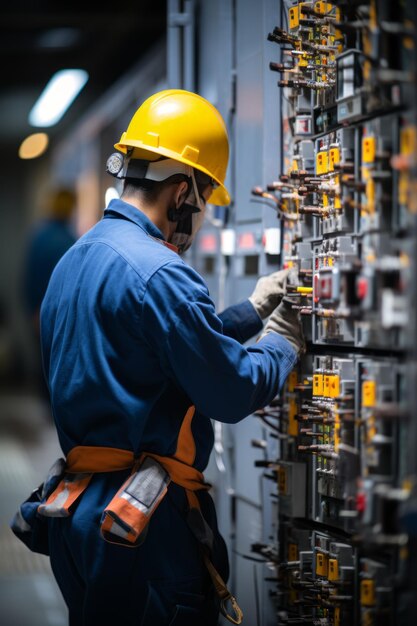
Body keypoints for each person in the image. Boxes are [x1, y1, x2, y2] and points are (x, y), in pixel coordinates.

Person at [20, 90, 305, 625]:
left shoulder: (74, 261)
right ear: (182, 193)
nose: (197, 225)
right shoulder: (161, 270)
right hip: (143, 528)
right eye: (201, 204)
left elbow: (154, 357)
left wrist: (253, 309)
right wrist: (284, 338)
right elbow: (232, 387)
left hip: (79, 517)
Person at [22, 187, 76, 396]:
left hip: (41, 312)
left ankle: (47, 410)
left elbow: (28, 279)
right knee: (58, 365)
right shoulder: (68, 239)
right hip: (59, 314)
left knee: (43, 362)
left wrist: (33, 310)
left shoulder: (41, 237)